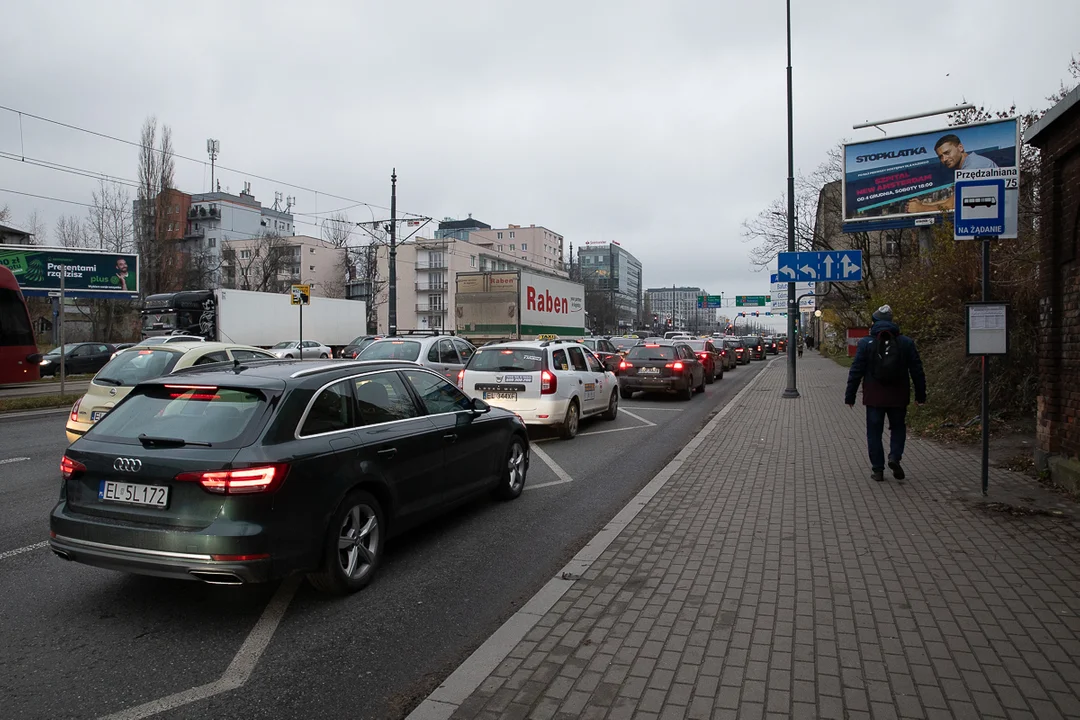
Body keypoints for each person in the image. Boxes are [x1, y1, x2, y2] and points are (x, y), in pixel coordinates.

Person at [845, 305, 926, 483]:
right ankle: (894, 457)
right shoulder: (906, 342)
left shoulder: (866, 343)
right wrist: (921, 396)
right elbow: (917, 370)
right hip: (898, 395)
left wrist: (850, 395)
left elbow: (856, 370)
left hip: (874, 397)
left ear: (874, 323)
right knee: (898, 428)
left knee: (874, 432)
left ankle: (878, 470)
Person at [906, 133, 999, 213]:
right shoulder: (970, 163)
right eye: (940, 157)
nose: (944, 159)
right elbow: (955, 199)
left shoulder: (972, 168)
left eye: (947, 153)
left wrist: (920, 208)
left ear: (960, 147)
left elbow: (953, 205)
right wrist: (923, 204)